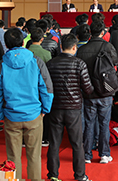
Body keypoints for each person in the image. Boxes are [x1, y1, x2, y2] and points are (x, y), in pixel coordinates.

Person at [0, 28, 54, 181]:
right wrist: (45, 109)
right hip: (34, 115)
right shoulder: (36, 61)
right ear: (23, 42)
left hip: (11, 116)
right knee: (34, 155)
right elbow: (47, 88)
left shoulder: (1, 65)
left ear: (6, 44)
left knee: (13, 156)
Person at [46, 34, 93, 181]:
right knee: (77, 144)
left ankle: (53, 175)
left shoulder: (50, 63)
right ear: (74, 47)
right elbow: (88, 88)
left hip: (55, 107)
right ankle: (80, 175)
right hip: (74, 108)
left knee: (54, 144)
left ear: (61, 46)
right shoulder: (79, 64)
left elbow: (46, 86)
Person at [76, 21, 118, 164]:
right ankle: (104, 154)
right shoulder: (108, 46)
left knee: (89, 123)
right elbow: (115, 62)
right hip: (105, 90)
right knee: (104, 123)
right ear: (102, 32)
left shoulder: (82, 49)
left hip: (89, 91)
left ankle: (87, 155)